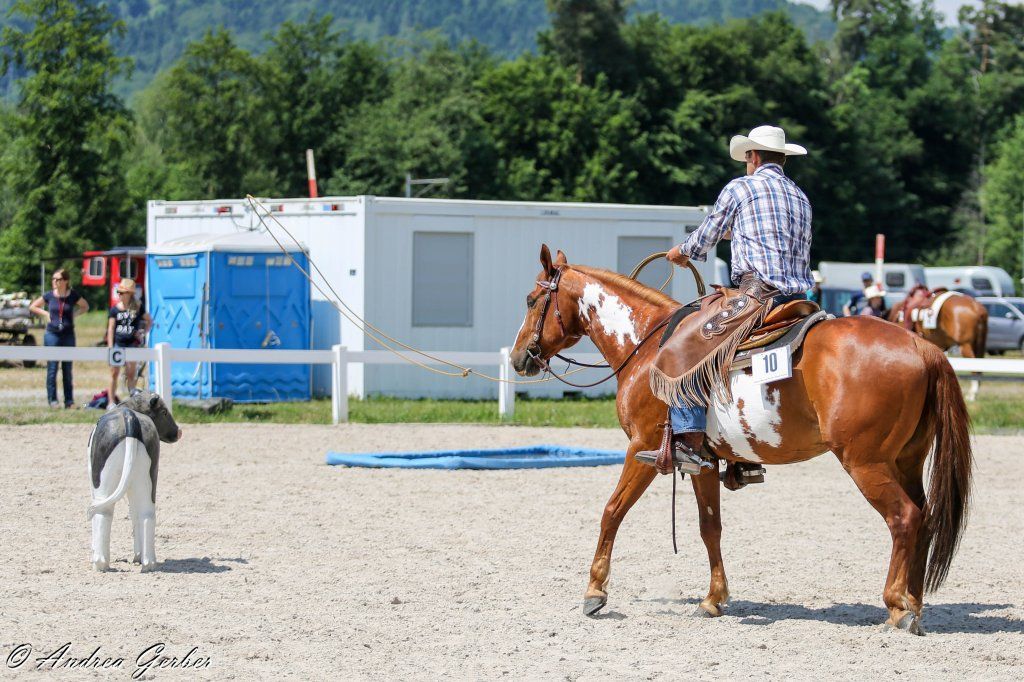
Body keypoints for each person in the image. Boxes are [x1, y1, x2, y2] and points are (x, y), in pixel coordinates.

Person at [640, 125, 813, 488]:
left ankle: (688, 438)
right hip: (798, 301)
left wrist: (682, 252)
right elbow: (769, 236)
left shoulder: (741, 187)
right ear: (782, 158)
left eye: (747, 157)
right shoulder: (799, 196)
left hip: (758, 296)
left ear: (752, 156)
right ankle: (742, 456)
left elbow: (708, 232)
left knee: (685, 339)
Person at [29, 268, 89, 408]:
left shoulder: (72, 295)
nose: (55, 282)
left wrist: (74, 314)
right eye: (53, 279)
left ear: (65, 281)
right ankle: (53, 400)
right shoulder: (49, 295)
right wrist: (45, 314)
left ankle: (69, 401)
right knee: (52, 368)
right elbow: (33, 307)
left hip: (68, 334)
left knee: (67, 369)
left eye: (58, 279)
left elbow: (85, 306)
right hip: (52, 334)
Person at [106, 279, 150, 409]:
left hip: (132, 344)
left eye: (122, 292)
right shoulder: (114, 310)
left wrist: (142, 333)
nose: (119, 294)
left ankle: (132, 400)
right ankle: (110, 401)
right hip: (118, 344)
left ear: (129, 294)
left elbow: (149, 320)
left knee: (131, 373)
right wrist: (110, 346)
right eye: (118, 292)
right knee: (114, 373)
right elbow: (111, 328)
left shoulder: (137, 307)